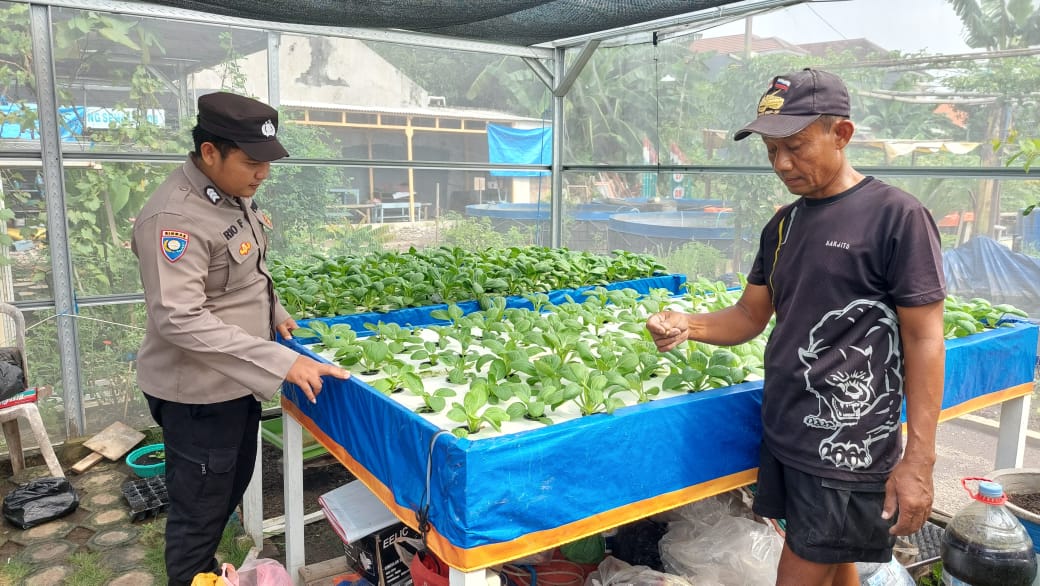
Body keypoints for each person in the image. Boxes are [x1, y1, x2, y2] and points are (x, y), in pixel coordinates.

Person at [646, 69, 946, 586]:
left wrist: (919, 458)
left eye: (797, 146)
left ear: (842, 134)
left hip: (846, 444)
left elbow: (925, 338)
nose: (782, 163)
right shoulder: (784, 224)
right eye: (771, 150)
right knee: (834, 558)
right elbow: (748, 316)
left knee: (803, 565)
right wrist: (686, 325)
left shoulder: (895, 216)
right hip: (788, 430)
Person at [131, 91, 350, 585]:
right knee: (199, 514)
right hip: (199, 393)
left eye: (267, 161)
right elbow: (179, 318)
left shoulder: (230, 195)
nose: (263, 174)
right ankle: (193, 575)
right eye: (252, 162)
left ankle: (210, 572)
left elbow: (245, 271)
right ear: (211, 152)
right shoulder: (175, 218)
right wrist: (280, 363)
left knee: (227, 487)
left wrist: (274, 309)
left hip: (234, 382)